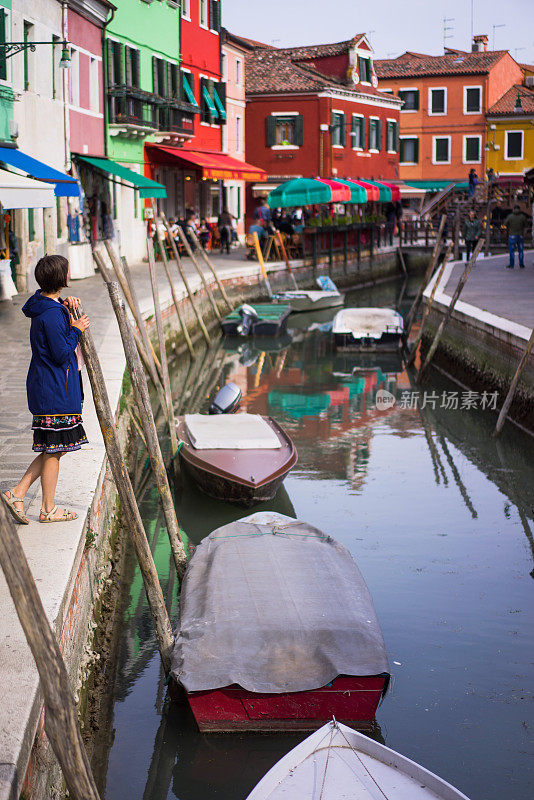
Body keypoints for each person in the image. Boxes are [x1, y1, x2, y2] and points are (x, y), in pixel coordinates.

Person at [1, 255, 90, 525]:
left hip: (53, 386)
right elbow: (62, 352)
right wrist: (76, 328)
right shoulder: (50, 313)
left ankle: (18, 493)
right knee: (54, 448)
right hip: (55, 389)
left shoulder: (49, 306)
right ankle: (47, 508)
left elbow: (56, 329)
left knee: (56, 447)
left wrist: (67, 308)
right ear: (61, 279)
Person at [505, 204, 527, 269]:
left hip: (512, 235)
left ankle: (511, 265)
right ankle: (521, 264)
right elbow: (525, 225)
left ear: (513, 209)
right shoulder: (522, 216)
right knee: (521, 250)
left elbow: (505, 224)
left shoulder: (510, 216)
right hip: (520, 235)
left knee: (511, 251)